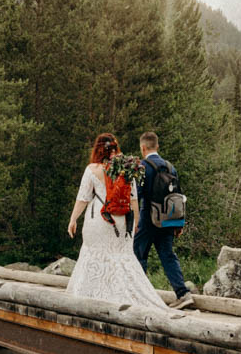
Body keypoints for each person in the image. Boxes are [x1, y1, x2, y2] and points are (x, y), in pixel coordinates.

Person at [65, 132, 166, 309]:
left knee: (93, 255)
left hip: (99, 219)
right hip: (121, 221)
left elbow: (83, 198)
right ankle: (127, 296)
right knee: (122, 257)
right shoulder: (125, 169)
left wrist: (73, 219)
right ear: (116, 148)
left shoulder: (92, 170)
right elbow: (133, 199)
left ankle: (89, 299)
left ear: (97, 150)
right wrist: (135, 223)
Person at [133, 131, 195, 309]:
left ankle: (141, 296)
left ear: (143, 148)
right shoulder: (170, 167)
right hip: (168, 219)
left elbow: (138, 194)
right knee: (168, 255)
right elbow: (179, 195)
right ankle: (183, 294)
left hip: (147, 219)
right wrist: (180, 222)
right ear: (157, 146)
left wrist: (134, 220)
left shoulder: (143, 166)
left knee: (139, 255)